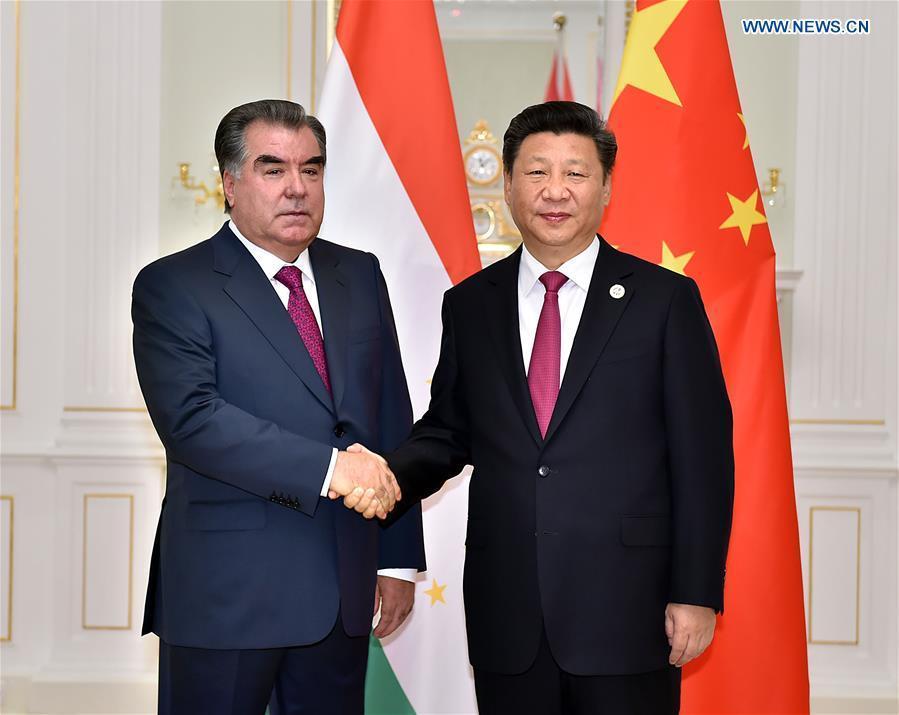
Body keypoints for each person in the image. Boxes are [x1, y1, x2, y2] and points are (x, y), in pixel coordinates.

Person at [350, 101, 734, 714]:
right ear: (507, 184)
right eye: (536, 172)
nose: (555, 191)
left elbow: (703, 460)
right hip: (510, 615)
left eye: (576, 173)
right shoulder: (471, 304)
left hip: (629, 611)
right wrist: (385, 475)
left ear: (606, 186)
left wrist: (696, 592)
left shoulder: (663, 301)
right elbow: (450, 432)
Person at [132, 99, 424, 715]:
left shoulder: (360, 275)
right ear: (229, 185)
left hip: (343, 592)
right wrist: (331, 469)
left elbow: (389, 418)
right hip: (227, 596)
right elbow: (193, 422)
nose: (297, 188)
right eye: (273, 169)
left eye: (312, 170)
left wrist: (398, 558)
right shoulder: (173, 285)